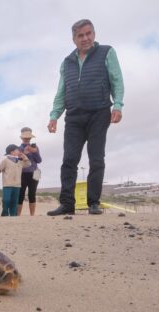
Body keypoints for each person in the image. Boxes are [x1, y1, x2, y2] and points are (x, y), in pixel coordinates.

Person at [47, 19, 125, 216]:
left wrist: (118, 105)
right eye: (80, 35)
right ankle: (67, 204)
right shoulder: (67, 62)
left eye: (89, 33)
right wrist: (54, 115)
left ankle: (93, 203)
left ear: (94, 34)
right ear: (73, 39)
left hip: (99, 112)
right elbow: (62, 91)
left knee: (96, 158)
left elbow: (117, 80)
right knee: (69, 160)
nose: (86, 38)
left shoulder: (106, 52)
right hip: (74, 116)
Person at [0, 144, 31, 217]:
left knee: (14, 202)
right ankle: (5, 214)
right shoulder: (5, 160)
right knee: (6, 200)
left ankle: (13, 215)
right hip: (7, 185)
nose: (19, 151)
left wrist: (25, 157)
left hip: (17, 185)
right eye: (17, 150)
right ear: (12, 152)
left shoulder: (20, 161)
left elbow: (28, 164)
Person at [17, 128, 43, 216]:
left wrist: (35, 152)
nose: (27, 139)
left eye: (29, 138)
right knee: (21, 194)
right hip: (22, 174)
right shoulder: (19, 149)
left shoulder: (35, 147)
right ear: (22, 138)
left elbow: (39, 160)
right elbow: (18, 162)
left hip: (35, 173)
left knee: (32, 193)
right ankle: (18, 215)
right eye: (25, 138)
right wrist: (25, 154)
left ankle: (32, 215)